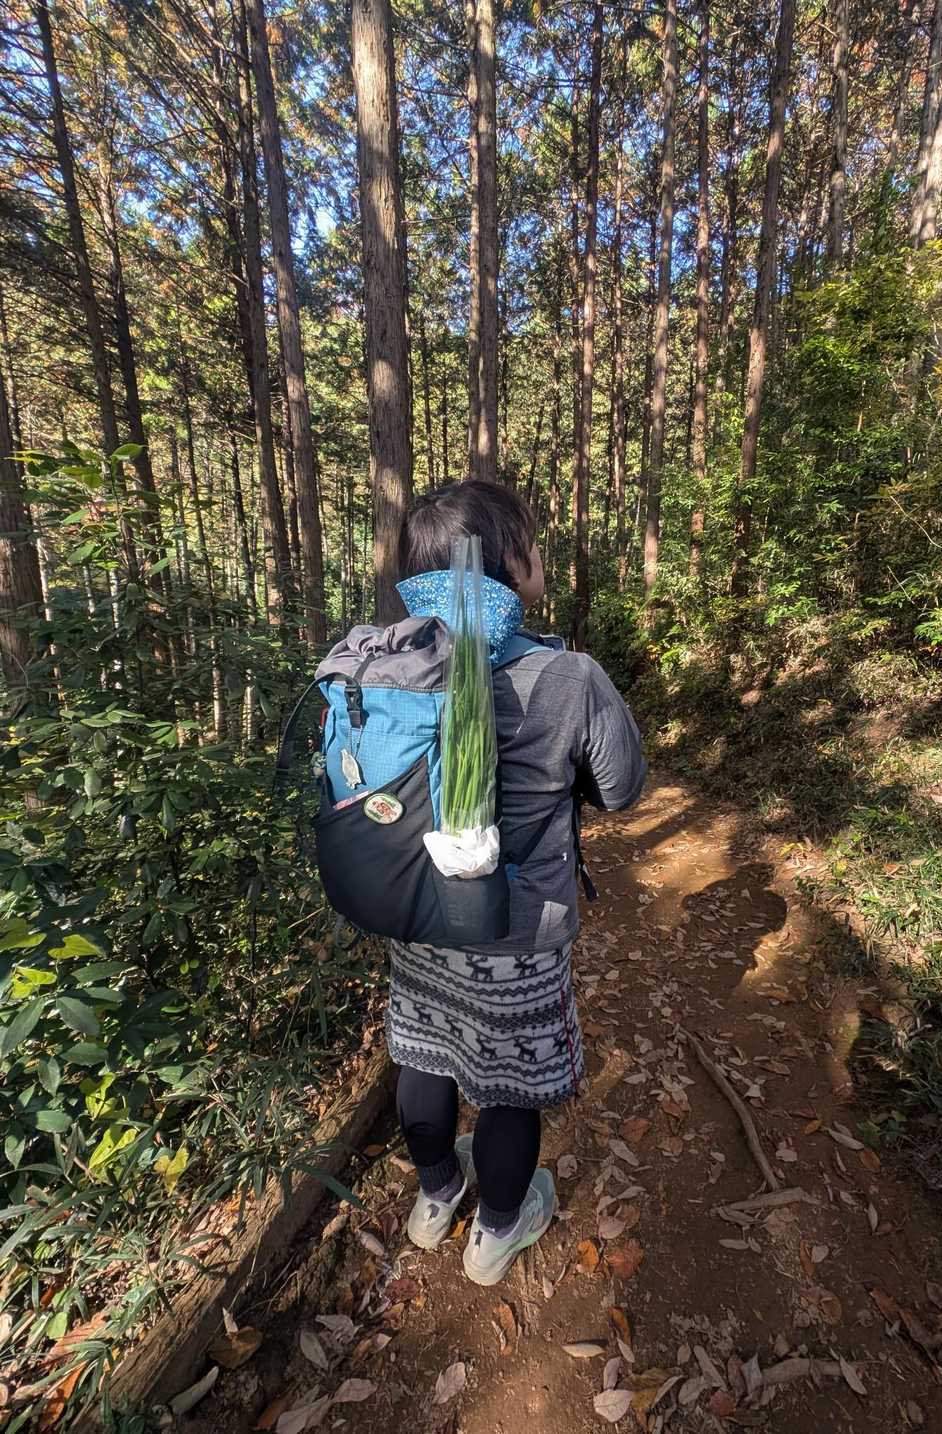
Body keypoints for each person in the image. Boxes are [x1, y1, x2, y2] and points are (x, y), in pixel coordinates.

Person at [388, 479, 645, 1286]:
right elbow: (622, 788)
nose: (539, 552)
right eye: (531, 539)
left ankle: (435, 1199)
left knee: (425, 1052)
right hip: (519, 934)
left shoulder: (391, 666)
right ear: (508, 558)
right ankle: (497, 1232)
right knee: (510, 1086)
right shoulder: (568, 676)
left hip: (419, 915)